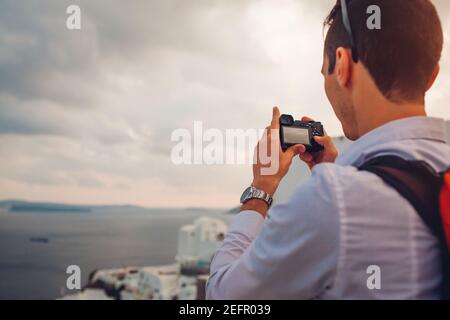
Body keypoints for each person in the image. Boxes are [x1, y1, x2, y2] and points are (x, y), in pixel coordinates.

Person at [206, 0, 450, 299]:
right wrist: (337, 169)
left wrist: (260, 191)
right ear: (432, 75)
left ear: (343, 65)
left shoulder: (335, 200)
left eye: (325, 73)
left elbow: (224, 295)